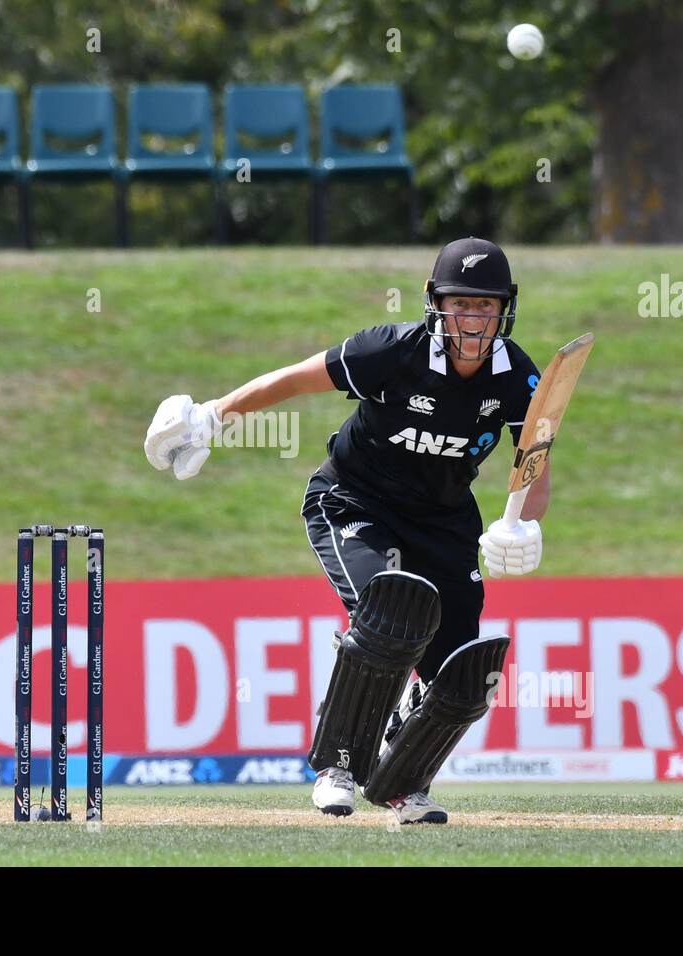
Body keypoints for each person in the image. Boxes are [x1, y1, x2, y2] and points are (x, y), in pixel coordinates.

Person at [144, 237, 549, 824]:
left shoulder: (518, 377)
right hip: (354, 501)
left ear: (504, 311)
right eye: (461, 303)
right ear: (436, 305)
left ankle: (403, 782)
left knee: (464, 673)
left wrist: (524, 526)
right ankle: (337, 764)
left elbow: (535, 468)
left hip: (444, 522)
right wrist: (214, 414)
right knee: (390, 613)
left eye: (485, 306)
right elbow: (296, 380)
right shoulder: (390, 352)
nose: (473, 318)